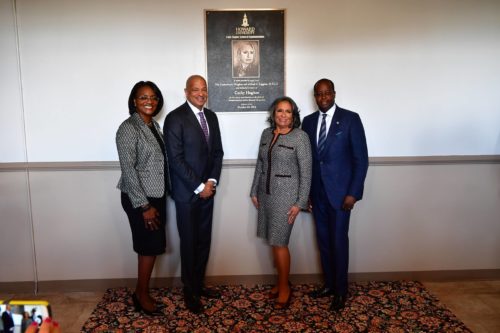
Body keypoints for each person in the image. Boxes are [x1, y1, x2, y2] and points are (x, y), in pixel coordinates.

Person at [302, 78, 369, 311]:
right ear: (315, 97)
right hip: (318, 194)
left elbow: (361, 160)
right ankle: (329, 285)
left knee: (339, 242)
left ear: (334, 94)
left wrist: (353, 193)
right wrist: (307, 194)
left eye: (326, 93)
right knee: (324, 243)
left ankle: (341, 291)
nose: (323, 98)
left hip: (341, 196)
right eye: (318, 95)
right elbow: (307, 160)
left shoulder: (350, 119)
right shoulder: (308, 122)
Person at [163, 75, 224, 313]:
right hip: (187, 194)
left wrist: (211, 182)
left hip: (208, 191)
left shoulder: (211, 116)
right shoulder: (175, 118)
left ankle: (198, 285)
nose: (201, 93)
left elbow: (217, 153)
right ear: (186, 91)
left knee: (203, 242)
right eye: (195, 89)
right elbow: (175, 160)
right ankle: (190, 293)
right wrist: (199, 186)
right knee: (189, 243)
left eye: (204, 89)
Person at [250, 97, 312, 309]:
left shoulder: (300, 137)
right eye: (279, 111)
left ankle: (285, 287)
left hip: (286, 198)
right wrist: (254, 191)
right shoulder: (266, 134)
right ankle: (281, 282)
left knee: (279, 243)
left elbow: (307, 173)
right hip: (265, 196)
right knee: (273, 241)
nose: (283, 115)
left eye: (288, 111)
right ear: (273, 114)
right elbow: (260, 164)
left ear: (294, 115)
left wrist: (300, 202)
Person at [116, 81, 169, 315]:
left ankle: (141, 291)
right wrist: (144, 205)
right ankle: (141, 294)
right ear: (134, 101)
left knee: (152, 246)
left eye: (154, 97)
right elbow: (128, 169)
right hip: (141, 198)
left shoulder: (154, 126)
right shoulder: (129, 128)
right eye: (143, 97)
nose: (149, 101)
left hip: (156, 194)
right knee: (148, 247)